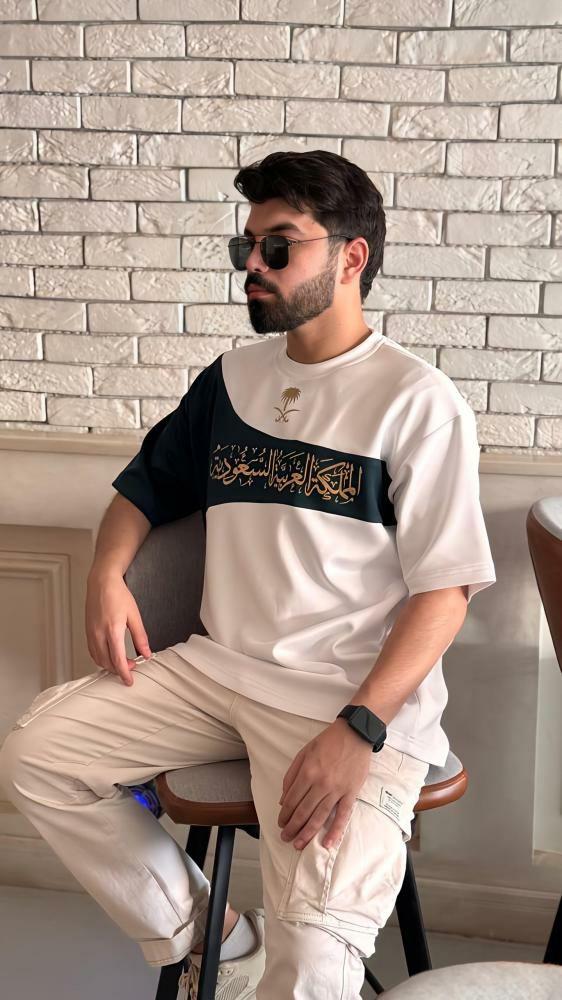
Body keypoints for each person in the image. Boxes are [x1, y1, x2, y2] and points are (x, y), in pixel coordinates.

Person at [0, 150, 496, 1000]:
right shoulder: (232, 381)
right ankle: (220, 941)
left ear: (351, 257)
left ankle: (277, 951)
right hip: (218, 671)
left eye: (278, 247)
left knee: (314, 969)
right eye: (247, 247)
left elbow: (444, 593)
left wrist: (360, 730)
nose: (253, 267)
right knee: (37, 756)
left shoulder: (417, 402)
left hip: (347, 698)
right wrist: (105, 576)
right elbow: (141, 491)